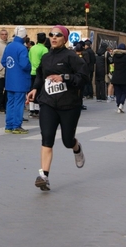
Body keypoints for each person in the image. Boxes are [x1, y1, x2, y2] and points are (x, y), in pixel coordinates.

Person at [27, 25, 88, 191]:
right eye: (51, 35)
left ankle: (77, 148)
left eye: (58, 35)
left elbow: (83, 78)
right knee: (47, 138)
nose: (54, 38)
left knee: (67, 141)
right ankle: (43, 176)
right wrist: (34, 88)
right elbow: (40, 74)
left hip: (69, 105)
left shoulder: (72, 57)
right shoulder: (46, 57)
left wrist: (64, 77)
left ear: (65, 38)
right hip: (48, 103)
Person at [1, 26, 31, 134]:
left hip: (10, 79)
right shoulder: (22, 48)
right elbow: (24, 64)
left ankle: (8, 125)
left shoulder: (9, 46)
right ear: (24, 36)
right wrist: (29, 66)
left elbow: (4, 62)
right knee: (19, 103)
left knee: (10, 102)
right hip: (20, 80)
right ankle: (17, 126)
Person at [28, 32, 48, 118]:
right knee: (39, 91)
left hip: (31, 71)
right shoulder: (45, 50)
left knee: (31, 89)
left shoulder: (32, 48)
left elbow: (29, 58)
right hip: (40, 73)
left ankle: (31, 109)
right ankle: (37, 110)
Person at [111, 43, 126, 113]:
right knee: (124, 91)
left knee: (117, 92)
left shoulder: (114, 56)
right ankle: (121, 103)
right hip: (124, 76)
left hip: (116, 76)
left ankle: (118, 105)